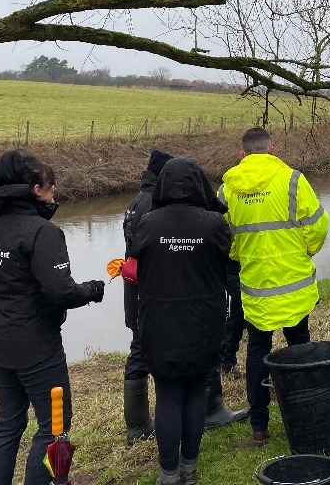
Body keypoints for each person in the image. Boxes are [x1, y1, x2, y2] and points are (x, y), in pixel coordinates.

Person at [0, 150, 105, 485]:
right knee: (55, 426)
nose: (53, 194)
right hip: (38, 350)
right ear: (35, 189)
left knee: (8, 422)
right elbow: (60, 292)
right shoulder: (43, 232)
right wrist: (92, 289)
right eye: (50, 188)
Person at [123, 150, 245, 445]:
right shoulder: (156, 212)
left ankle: (139, 423)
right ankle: (146, 423)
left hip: (145, 300)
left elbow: (137, 256)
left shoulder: (138, 207)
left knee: (147, 359)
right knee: (166, 367)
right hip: (165, 302)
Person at [218, 127, 329, 447]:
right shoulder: (293, 180)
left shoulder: (227, 190)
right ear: (272, 150)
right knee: (299, 345)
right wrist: (306, 250)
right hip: (294, 283)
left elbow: (222, 235)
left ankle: (259, 427)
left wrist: (241, 255)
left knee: (257, 349)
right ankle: (304, 410)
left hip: (255, 286)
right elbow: (319, 224)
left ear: (242, 155)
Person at [121, 148, 174, 444]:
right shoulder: (153, 204)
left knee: (139, 348)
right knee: (142, 351)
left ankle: (138, 422)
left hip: (134, 289)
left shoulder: (135, 202)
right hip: (148, 291)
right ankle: (139, 424)